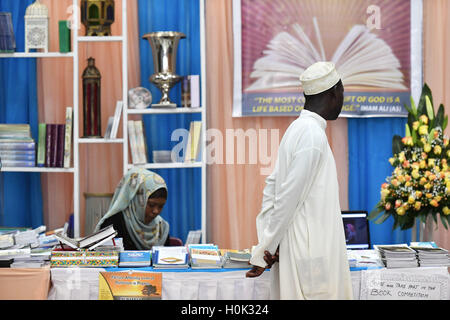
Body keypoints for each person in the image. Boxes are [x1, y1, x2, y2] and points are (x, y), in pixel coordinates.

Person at [246, 61, 353, 300]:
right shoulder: (312, 135)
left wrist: (267, 244)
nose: (343, 99)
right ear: (334, 92)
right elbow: (286, 198)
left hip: (304, 247)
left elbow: (272, 189)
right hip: (311, 250)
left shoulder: (298, 128)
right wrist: (266, 249)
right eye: (343, 92)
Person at [94, 168, 171, 250]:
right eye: (151, 205)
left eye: (161, 206)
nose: (156, 211)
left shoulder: (161, 227)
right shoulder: (112, 225)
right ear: (136, 199)